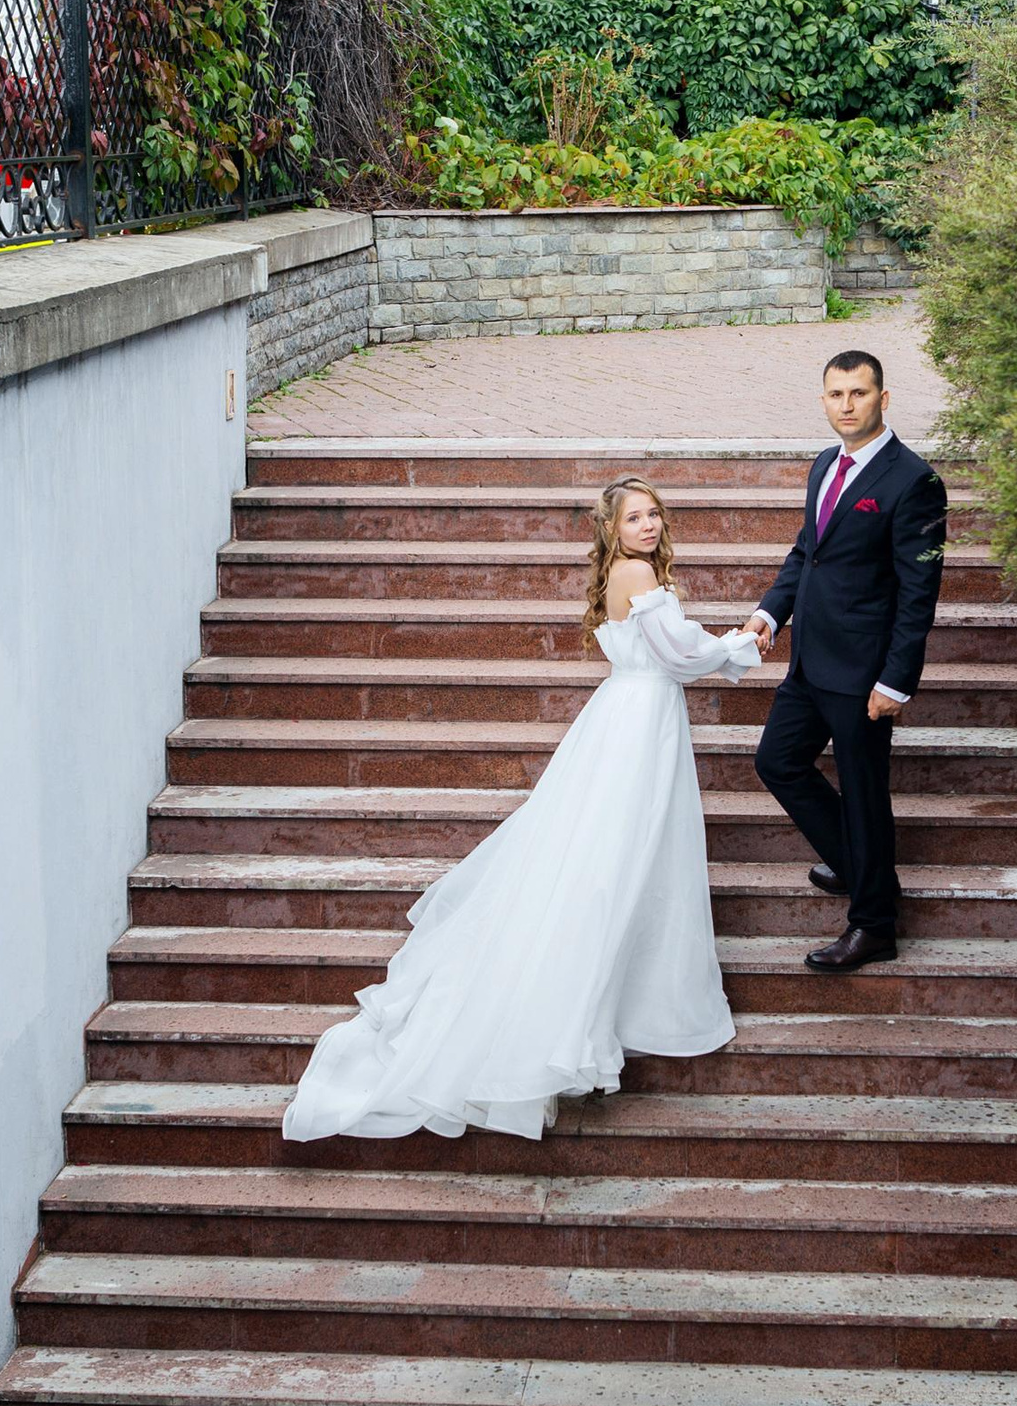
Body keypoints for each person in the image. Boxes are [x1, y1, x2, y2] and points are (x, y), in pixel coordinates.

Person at [281, 476, 761, 1142]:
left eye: (655, 514)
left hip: (631, 714)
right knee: (614, 857)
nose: (649, 525)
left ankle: (609, 1000)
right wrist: (742, 644)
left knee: (613, 854)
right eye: (635, 517)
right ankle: (579, 1014)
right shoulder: (636, 573)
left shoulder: (629, 572)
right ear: (613, 529)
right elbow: (681, 654)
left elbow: (670, 652)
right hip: (637, 723)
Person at [741, 350, 948, 973]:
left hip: (864, 673)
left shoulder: (915, 481)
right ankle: (863, 868)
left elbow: (919, 593)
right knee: (776, 761)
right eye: (836, 394)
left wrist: (896, 679)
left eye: (859, 393)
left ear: (884, 399)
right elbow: (808, 550)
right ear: (824, 400)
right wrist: (770, 613)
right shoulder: (824, 465)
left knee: (864, 795)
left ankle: (874, 924)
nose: (847, 405)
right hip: (809, 661)